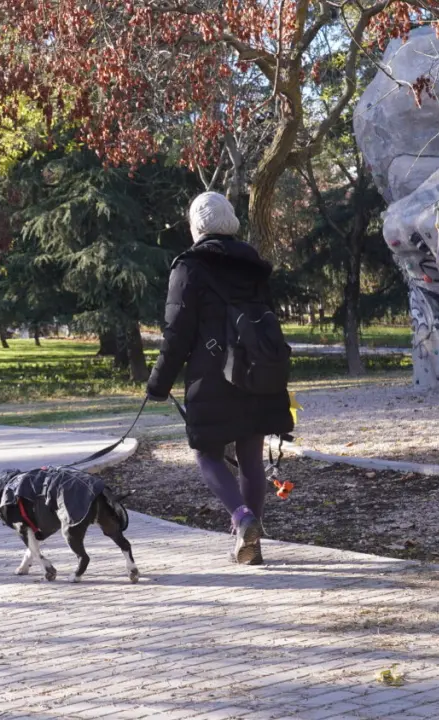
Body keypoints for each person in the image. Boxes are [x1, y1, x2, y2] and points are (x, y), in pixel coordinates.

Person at [145, 192, 293, 566]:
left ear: (197, 226)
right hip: (258, 372)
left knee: (207, 453)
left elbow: (177, 333)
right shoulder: (253, 264)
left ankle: (243, 520)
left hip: (212, 377)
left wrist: (158, 384)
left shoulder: (189, 267)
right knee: (250, 457)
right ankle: (252, 544)